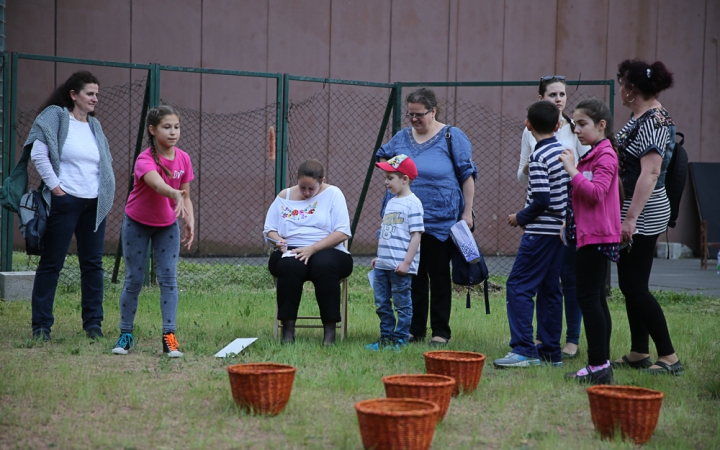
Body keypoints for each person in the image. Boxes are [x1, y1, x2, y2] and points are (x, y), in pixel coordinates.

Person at [376, 88, 477, 346]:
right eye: (410, 114)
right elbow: (383, 157)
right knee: (413, 275)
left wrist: (466, 212)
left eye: (419, 114)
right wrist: (396, 185)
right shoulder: (401, 138)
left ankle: (440, 332)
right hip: (406, 221)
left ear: (433, 111)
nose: (413, 119)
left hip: (441, 221)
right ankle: (414, 329)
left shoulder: (451, 136)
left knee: (439, 275)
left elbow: (467, 175)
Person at [26, 71, 116, 341]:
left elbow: (105, 162)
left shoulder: (94, 126)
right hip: (64, 202)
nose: (95, 99)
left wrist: (104, 193)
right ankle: (41, 326)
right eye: (90, 93)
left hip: (93, 205)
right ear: (73, 95)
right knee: (52, 263)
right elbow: (38, 153)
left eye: (97, 94)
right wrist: (57, 189)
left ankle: (93, 325)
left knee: (92, 265)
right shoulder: (56, 117)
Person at [611, 59, 684, 375]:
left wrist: (630, 219)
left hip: (644, 213)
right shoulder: (642, 114)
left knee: (635, 286)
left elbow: (651, 172)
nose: (620, 88)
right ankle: (640, 351)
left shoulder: (653, 120)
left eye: (621, 82)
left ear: (632, 88)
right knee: (630, 285)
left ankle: (668, 356)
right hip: (633, 211)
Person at [112, 105, 194, 357]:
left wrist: (190, 219)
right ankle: (126, 335)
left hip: (167, 225)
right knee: (134, 279)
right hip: (137, 222)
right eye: (166, 127)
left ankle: (169, 337)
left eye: (176, 127)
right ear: (152, 129)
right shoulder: (144, 159)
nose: (173, 132)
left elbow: (186, 195)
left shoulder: (184, 158)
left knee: (168, 278)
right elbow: (158, 185)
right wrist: (174, 193)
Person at [517, 75, 589, 359]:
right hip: (544, 219)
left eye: (562, 94)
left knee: (568, 278)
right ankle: (544, 339)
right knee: (546, 281)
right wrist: (534, 167)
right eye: (552, 94)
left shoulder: (573, 127)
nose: (559, 99)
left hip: (569, 213)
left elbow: (585, 169)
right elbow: (523, 174)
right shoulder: (531, 132)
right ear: (540, 98)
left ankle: (571, 339)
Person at [494, 100, 569, 368]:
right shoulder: (564, 152)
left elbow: (541, 199)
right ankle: (551, 351)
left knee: (518, 287)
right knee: (550, 290)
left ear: (528, 125)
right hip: (559, 233)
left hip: (538, 232)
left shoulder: (537, 157)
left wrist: (520, 218)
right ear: (558, 126)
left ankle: (524, 349)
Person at [559, 99, 622, 384]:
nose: (577, 130)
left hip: (596, 238)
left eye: (583, 124)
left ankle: (598, 365)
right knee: (595, 299)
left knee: (588, 299)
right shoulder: (595, 153)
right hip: (589, 235)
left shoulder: (604, 155)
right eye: (574, 125)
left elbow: (596, 193)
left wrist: (572, 170)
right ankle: (602, 364)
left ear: (601, 125)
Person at [264, 159, 354, 346]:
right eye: (302, 187)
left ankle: (329, 334)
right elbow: (269, 230)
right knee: (288, 266)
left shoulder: (333, 194)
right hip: (292, 249)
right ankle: (287, 332)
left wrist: (312, 249)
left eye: (311, 189)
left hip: (328, 249)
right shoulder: (284, 196)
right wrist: (278, 241)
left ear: (322, 180)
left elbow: (343, 232)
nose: (306, 193)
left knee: (324, 265)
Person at [366, 155, 424, 351]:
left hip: (400, 266)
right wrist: (379, 258)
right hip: (383, 265)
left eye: (390, 178)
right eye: (386, 177)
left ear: (405, 179)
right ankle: (385, 337)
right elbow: (387, 233)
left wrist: (407, 262)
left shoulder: (413, 203)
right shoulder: (391, 202)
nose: (386, 182)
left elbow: (416, 236)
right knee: (382, 304)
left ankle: (400, 339)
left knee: (402, 304)